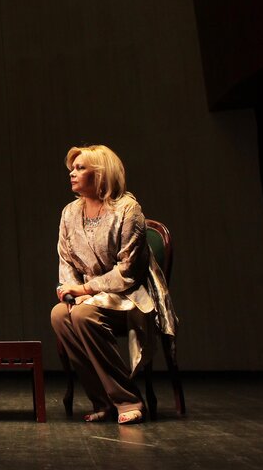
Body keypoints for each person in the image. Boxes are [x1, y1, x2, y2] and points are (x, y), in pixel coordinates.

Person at [50, 145, 177, 425]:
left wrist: (86, 291)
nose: (72, 173)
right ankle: (103, 401)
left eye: (81, 168)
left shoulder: (127, 209)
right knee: (60, 315)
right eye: (72, 168)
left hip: (128, 298)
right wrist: (71, 292)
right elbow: (66, 261)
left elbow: (128, 271)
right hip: (88, 299)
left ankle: (128, 399)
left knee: (83, 315)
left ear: (101, 173)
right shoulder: (69, 212)